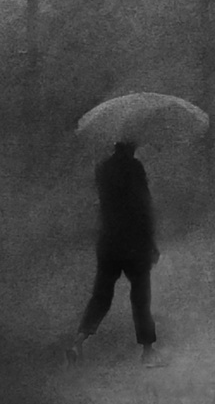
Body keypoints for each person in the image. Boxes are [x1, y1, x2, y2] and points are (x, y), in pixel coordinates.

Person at [66, 140, 162, 367]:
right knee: (140, 297)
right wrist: (151, 243)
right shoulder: (135, 168)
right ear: (130, 146)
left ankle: (78, 342)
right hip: (133, 243)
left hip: (108, 241)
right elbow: (142, 206)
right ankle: (148, 352)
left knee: (101, 296)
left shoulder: (103, 168)